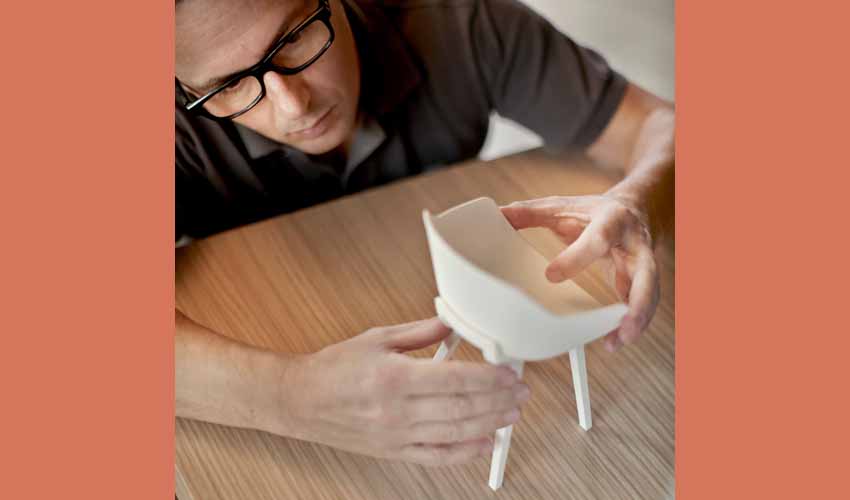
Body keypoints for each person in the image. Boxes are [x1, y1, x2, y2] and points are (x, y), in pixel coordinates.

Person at [175, 0, 674, 466]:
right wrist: (290, 397)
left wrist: (636, 201)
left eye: (294, 39)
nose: (292, 107)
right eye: (229, 86)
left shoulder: (459, 19)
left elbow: (660, 123)